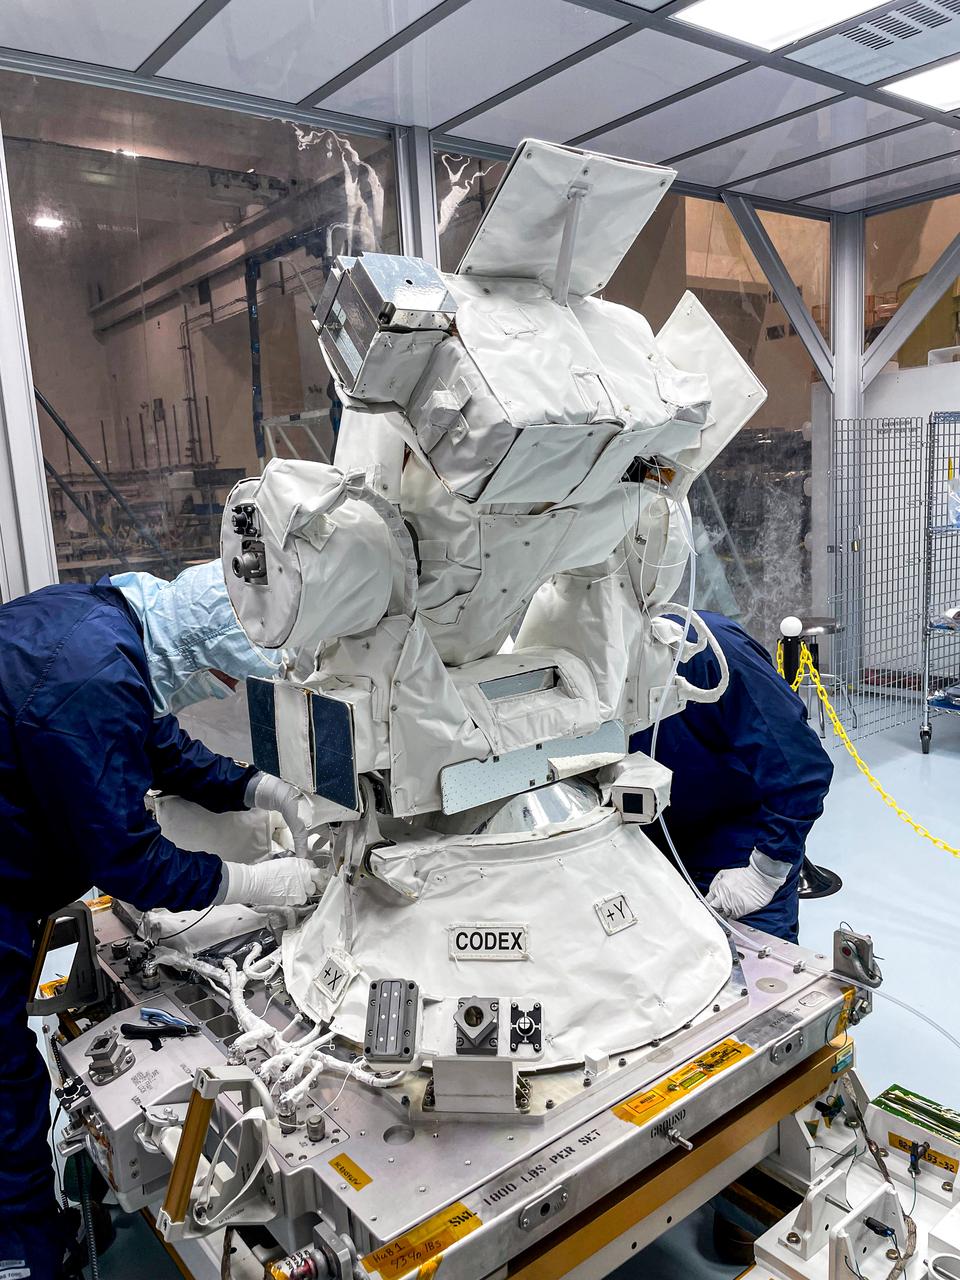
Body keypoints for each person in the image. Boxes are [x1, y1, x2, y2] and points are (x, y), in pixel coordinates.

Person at [0, 559, 323, 1279]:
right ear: (202, 653)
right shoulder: (90, 679)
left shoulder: (103, 628)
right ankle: (25, 1254)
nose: (223, 693)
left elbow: (153, 745)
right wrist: (253, 882)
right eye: (227, 680)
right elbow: (130, 861)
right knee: (4, 1077)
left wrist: (255, 786)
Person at [630, 610, 834, 943]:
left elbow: (800, 768)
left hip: (738, 853)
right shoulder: (575, 663)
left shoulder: (710, 651)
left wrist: (764, 874)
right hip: (645, 850)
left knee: (758, 980)